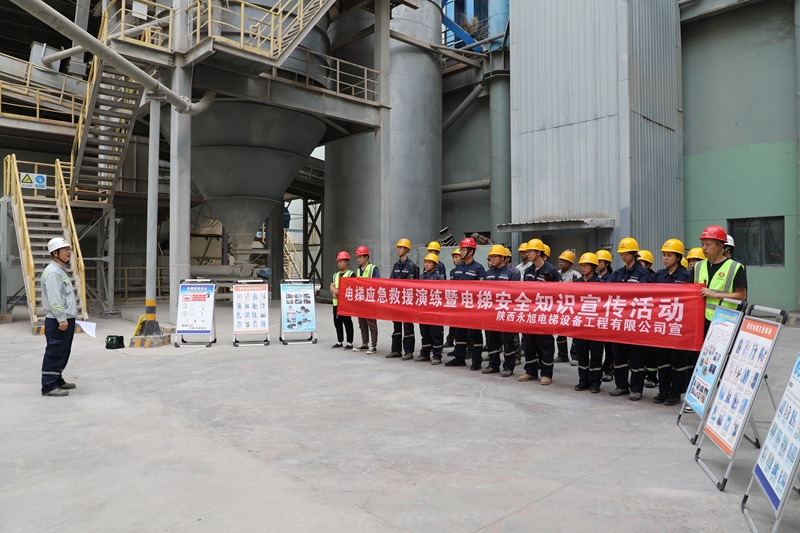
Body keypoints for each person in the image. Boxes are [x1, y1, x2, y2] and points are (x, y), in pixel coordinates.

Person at [608, 237, 652, 401]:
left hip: (636, 320)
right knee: (619, 355)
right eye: (622, 254)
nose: (624, 256)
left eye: (626, 253)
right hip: (619, 320)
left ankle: (636, 389)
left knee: (636, 356)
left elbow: (644, 295)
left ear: (634, 253)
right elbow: (609, 293)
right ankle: (621, 385)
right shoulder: (618, 273)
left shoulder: (642, 273)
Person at [652, 239, 692, 406]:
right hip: (662, 324)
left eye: (669, 255)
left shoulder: (686, 276)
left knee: (678, 361)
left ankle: (675, 393)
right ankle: (663, 391)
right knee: (662, 361)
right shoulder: (659, 275)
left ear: (678, 257)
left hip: (678, 325)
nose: (665, 258)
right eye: (664, 255)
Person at [518, 238, 562, 385]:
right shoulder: (528, 271)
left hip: (545, 314)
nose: (527, 254)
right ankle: (530, 371)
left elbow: (559, 293)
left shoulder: (551, 271)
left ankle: (546, 373)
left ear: (538, 253)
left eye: (530, 251)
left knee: (545, 344)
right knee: (529, 343)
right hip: (530, 313)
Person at [40, 237, 78, 397]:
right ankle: (49, 386)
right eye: (65, 250)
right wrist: (61, 318)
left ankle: (57, 379)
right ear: (55, 253)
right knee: (55, 351)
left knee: (62, 351)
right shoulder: (53, 272)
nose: (69, 252)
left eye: (69, 249)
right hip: (57, 320)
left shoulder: (60, 270)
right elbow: (55, 298)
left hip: (65, 319)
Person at [695, 225, 747, 334]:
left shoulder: (735, 267)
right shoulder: (698, 266)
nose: (704, 248)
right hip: (699, 319)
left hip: (724, 320)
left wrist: (715, 295)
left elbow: (741, 296)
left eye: (708, 244)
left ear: (720, 246)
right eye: (702, 244)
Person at [445, 238, 485, 371]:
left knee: (475, 334)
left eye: (463, 250)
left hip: (473, 309)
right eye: (460, 250)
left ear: (471, 251)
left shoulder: (478, 268)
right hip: (459, 308)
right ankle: (459, 358)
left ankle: (476, 361)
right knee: (459, 334)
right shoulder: (457, 269)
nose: (461, 252)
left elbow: (482, 290)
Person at [482, 245, 517, 377]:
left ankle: (508, 367)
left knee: (507, 341)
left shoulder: (511, 273)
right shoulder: (488, 273)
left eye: (495, 256)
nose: (492, 259)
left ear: (503, 258)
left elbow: (515, 294)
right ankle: (493, 364)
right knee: (492, 340)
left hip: (506, 312)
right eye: (491, 257)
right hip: (491, 313)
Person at [572, 253, 604, 393]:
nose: (583, 267)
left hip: (595, 325)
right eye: (582, 265)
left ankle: (595, 382)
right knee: (582, 354)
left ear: (593, 267)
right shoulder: (577, 283)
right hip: (581, 324)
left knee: (596, 354)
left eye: (586, 265)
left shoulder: (599, 283)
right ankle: (583, 380)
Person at [389, 238, 419, 360]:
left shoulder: (412, 266)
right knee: (396, 326)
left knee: (407, 326)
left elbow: (410, 284)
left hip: (407, 301)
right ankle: (396, 350)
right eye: (397, 247)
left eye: (401, 248)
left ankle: (409, 351)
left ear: (407, 249)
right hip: (396, 300)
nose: (398, 249)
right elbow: (391, 281)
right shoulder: (396, 265)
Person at [636, 249, 658, 388]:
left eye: (642, 263)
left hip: (650, 317)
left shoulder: (654, 278)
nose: (639, 265)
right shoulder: (635, 276)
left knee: (651, 350)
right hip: (637, 316)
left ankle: (652, 377)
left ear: (648, 264)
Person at [418, 253, 445, 365]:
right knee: (424, 332)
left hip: (435, 310)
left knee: (436, 333)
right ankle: (425, 353)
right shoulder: (421, 277)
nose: (427, 264)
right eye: (426, 262)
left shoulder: (439, 278)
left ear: (435, 265)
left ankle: (437, 355)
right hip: (424, 309)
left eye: (429, 262)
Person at [555, 250, 580, 365]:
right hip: (559, 306)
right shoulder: (556, 273)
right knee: (560, 332)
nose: (561, 262)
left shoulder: (576, 275)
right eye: (560, 260)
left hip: (571, 307)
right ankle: (562, 354)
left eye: (564, 260)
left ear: (570, 263)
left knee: (574, 332)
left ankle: (575, 355)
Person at [354, 245, 380, 354]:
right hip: (361, 300)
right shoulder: (358, 270)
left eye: (360, 257)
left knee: (371, 323)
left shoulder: (373, 269)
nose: (358, 259)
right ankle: (365, 343)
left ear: (366, 257)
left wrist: (364, 281)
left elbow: (377, 283)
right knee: (362, 323)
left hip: (370, 300)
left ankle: (373, 345)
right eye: (357, 257)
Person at [596, 249, 615, 382]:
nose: (597, 264)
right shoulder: (594, 278)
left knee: (609, 347)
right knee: (597, 347)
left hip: (608, 316)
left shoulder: (612, 278)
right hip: (596, 316)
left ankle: (608, 369)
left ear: (607, 263)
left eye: (600, 261)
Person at [330, 251, 354, 350]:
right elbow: (331, 285)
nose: (339, 263)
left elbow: (352, 288)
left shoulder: (351, 274)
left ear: (347, 262)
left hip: (346, 304)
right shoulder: (336, 275)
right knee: (337, 323)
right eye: (338, 261)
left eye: (341, 261)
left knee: (347, 322)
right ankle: (339, 341)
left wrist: (340, 293)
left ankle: (349, 342)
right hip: (336, 303)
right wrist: (334, 291)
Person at [443, 248, 462, 349]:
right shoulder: (452, 272)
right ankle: (451, 340)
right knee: (453, 322)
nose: (454, 259)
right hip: (454, 300)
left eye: (456, 257)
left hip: (464, 301)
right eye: (453, 257)